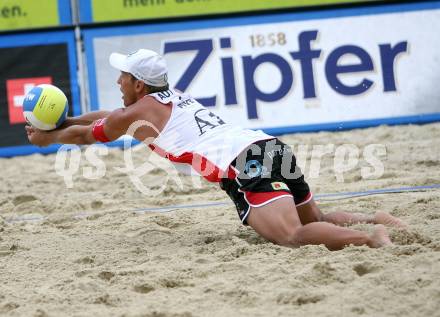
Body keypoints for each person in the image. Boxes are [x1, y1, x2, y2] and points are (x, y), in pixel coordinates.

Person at [26, 49, 406, 250]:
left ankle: (372, 239)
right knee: (313, 220)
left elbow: (89, 135)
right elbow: (109, 116)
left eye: (124, 75)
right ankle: (376, 218)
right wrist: (66, 120)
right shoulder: (165, 97)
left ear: (139, 84)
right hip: (268, 146)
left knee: (290, 236)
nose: (118, 79)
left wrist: (50, 137)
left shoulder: (140, 110)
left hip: (245, 164)